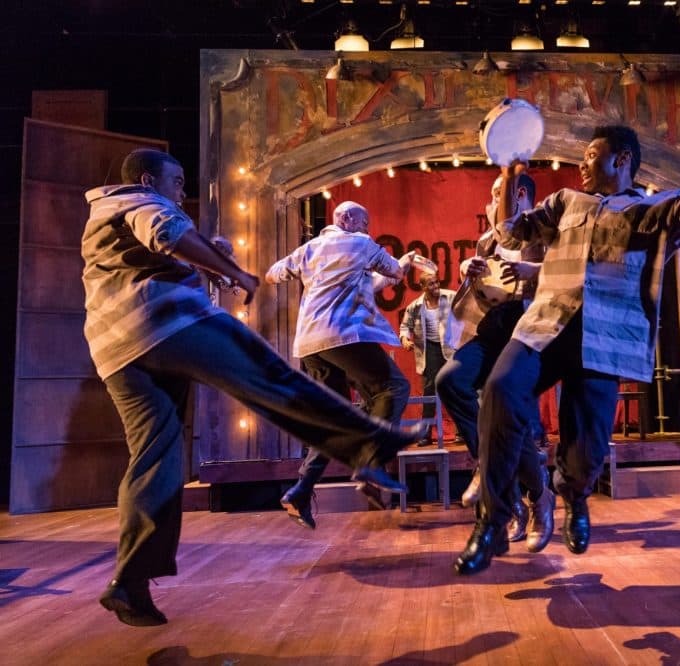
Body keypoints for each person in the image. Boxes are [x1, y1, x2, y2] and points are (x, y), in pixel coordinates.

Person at [83, 149, 424, 627]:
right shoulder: (137, 201)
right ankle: (367, 447)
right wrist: (234, 272)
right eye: (178, 182)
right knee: (266, 376)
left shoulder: (103, 216)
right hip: (161, 324)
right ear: (148, 179)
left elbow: (176, 256)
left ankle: (129, 583)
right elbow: (167, 233)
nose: (182, 191)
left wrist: (209, 264)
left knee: (154, 458)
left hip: (116, 353)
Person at [454, 67, 680, 575]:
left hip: (604, 340)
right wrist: (509, 175)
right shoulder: (565, 203)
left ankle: (573, 497)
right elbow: (511, 231)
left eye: (592, 158)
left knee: (586, 449)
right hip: (544, 326)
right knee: (501, 389)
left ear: (622, 161)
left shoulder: (655, 211)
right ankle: (491, 522)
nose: (582, 168)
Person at [266, 201, 417, 527]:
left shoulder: (309, 249)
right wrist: (401, 264)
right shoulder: (360, 243)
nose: (367, 230)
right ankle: (371, 462)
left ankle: (302, 488)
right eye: (365, 223)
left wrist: (316, 279)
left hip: (310, 345)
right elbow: (395, 271)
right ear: (348, 219)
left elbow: (272, 274)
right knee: (394, 387)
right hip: (344, 336)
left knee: (336, 417)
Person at [437, 173, 553, 550]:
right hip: (488, 330)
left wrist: (533, 273)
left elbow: (572, 279)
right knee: (449, 381)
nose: (489, 203)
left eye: (496, 195)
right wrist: (467, 272)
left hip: (525, 332)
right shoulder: (488, 239)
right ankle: (491, 468)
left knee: (510, 422)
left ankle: (534, 498)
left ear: (519, 195)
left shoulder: (545, 231)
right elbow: (480, 288)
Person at [399, 272, 456, 445]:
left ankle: (462, 431)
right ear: (422, 287)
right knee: (430, 390)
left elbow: (465, 311)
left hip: (449, 347)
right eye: (431, 284)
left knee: (455, 388)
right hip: (429, 349)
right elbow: (404, 327)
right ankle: (425, 434)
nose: (436, 287)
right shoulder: (415, 306)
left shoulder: (450, 297)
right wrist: (404, 339)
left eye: (437, 282)